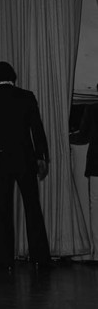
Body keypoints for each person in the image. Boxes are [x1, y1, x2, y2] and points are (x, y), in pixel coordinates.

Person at [0, 61, 51, 270]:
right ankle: (40, 258)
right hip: (25, 157)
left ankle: (2, 260)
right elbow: (37, 129)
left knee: (1, 210)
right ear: (12, 76)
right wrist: (41, 156)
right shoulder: (26, 96)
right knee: (32, 208)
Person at [76, 84, 98, 262]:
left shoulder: (92, 109)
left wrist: (63, 136)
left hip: (97, 163)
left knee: (95, 207)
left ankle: (97, 252)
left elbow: (83, 136)